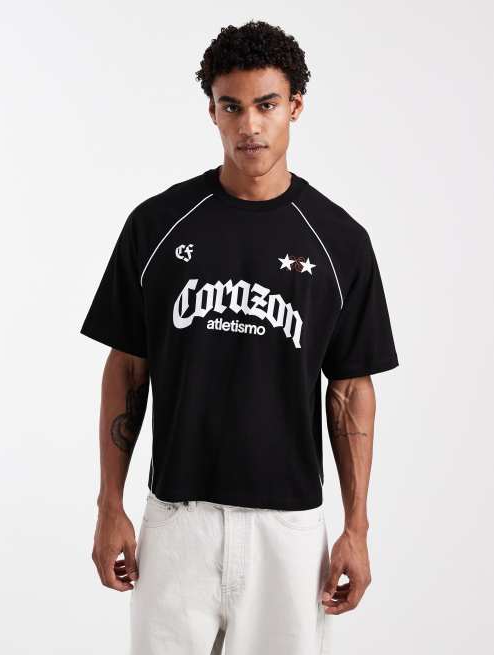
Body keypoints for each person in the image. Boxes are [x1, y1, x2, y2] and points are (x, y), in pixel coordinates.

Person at [80, 19, 399, 655]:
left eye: (266, 105)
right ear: (212, 111)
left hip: (290, 528)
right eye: (232, 107)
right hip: (178, 520)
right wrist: (109, 505)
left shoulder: (339, 242)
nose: (249, 125)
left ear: (295, 106)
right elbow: (127, 368)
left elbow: (350, 389)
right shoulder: (158, 226)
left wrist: (357, 527)